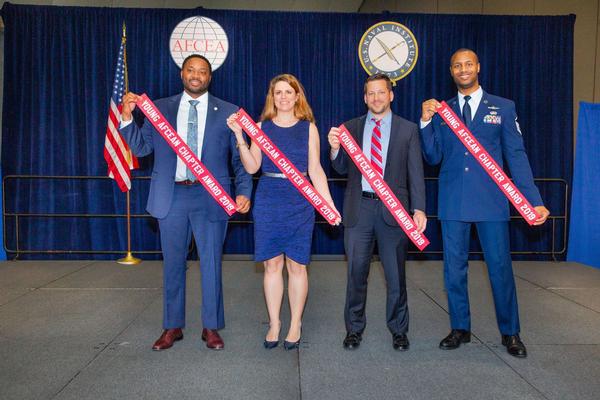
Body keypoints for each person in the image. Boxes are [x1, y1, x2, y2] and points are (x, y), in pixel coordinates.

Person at [420, 48, 550, 358]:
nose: (463, 69)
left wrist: (533, 200)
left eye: (468, 64)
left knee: (500, 269)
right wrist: (425, 123)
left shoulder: (503, 108)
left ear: (478, 67)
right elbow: (433, 157)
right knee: (454, 270)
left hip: (492, 202)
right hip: (453, 202)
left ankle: (510, 332)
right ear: (451, 71)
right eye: (457, 66)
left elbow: (516, 156)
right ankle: (460, 327)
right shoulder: (441, 111)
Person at [120, 54, 252, 351]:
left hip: (212, 197)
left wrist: (244, 191)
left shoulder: (229, 112)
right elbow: (141, 147)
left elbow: (239, 160)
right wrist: (128, 117)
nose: (196, 75)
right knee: (173, 265)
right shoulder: (159, 109)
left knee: (211, 264)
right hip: (172, 196)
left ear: (210, 77)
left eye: (202, 71)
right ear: (182, 74)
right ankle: (172, 326)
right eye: (191, 70)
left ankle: (211, 326)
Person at [226, 74, 340, 350]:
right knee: (272, 265)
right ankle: (275, 323)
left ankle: (295, 323)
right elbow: (253, 167)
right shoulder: (261, 126)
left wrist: (328, 205)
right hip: (268, 199)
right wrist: (241, 137)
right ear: (272, 97)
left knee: (297, 265)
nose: (284, 97)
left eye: (289, 92)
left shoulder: (308, 128)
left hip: (300, 201)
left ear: (297, 96)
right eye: (278, 92)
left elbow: (315, 170)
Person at [328, 73, 426, 351]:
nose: (376, 98)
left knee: (396, 276)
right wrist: (335, 150)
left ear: (391, 95)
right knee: (356, 274)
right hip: (359, 210)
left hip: (394, 212)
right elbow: (341, 169)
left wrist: (418, 208)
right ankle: (354, 329)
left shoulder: (407, 130)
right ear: (364, 97)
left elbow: (416, 173)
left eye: (381, 92)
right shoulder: (350, 128)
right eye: (370, 93)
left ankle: (399, 330)